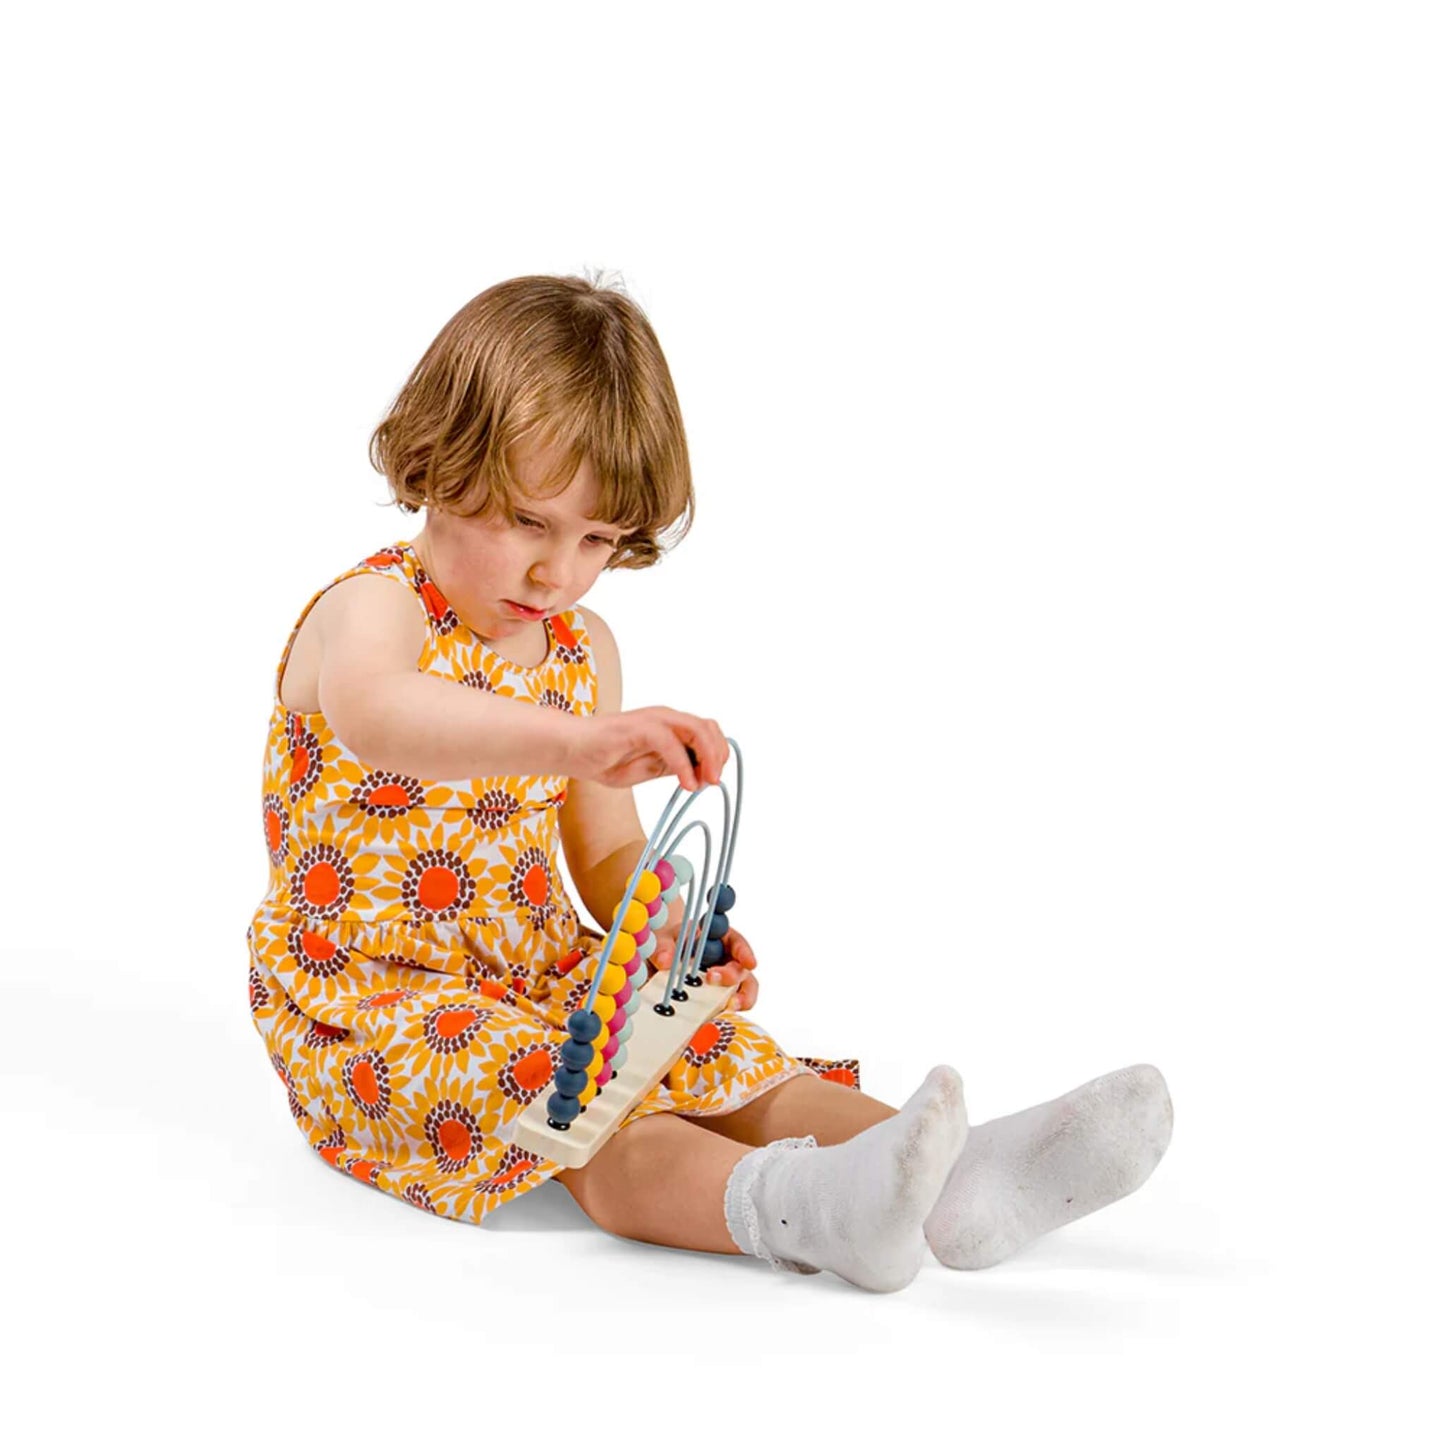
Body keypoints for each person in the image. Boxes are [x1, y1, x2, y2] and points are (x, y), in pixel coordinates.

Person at [247, 273, 1174, 1293]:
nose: (558, 570)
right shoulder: (376, 611)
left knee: (717, 1055)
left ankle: (969, 1178)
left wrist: (667, 920)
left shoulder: (580, 650)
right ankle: (811, 1210)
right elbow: (380, 715)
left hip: (531, 965)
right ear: (437, 460)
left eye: (596, 539)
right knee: (589, 1126)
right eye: (527, 520)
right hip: (378, 1000)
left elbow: (600, 851)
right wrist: (577, 742)